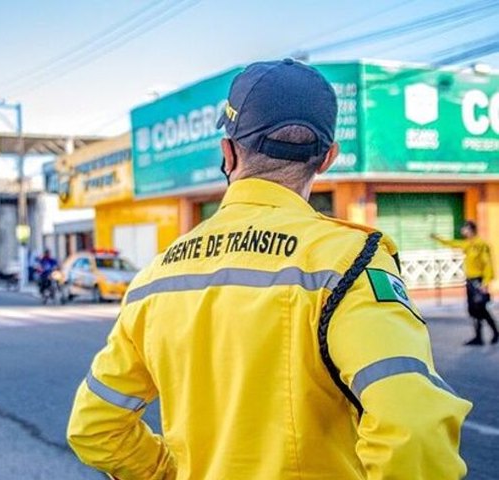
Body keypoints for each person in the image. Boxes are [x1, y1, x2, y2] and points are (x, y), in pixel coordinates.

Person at [67, 59, 471, 479]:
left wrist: (167, 472)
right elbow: (413, 426)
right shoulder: (348, 261)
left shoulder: (155, 279)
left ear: (227, 153)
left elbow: (94, 427)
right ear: (327, 158)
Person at [432, 221, 498, 345]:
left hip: (479, 280)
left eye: (465, 229)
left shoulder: (481, 244)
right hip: (470, 280)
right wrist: (438, 238)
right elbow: (452, 243)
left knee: (480, 308)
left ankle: (494, 333)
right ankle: (479, 337)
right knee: (473, 309)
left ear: (471, 230)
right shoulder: (467, 244)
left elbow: (488, 264)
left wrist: (486, 283)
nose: (463, 231)